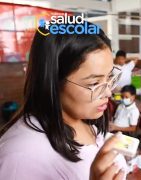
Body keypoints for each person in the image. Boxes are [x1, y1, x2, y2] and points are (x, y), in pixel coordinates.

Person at [0, 24, 126, 179]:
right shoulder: (20, 155)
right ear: (52, 81)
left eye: (109, 77)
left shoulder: (83, 118)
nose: (108, 92)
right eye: (94, 83)